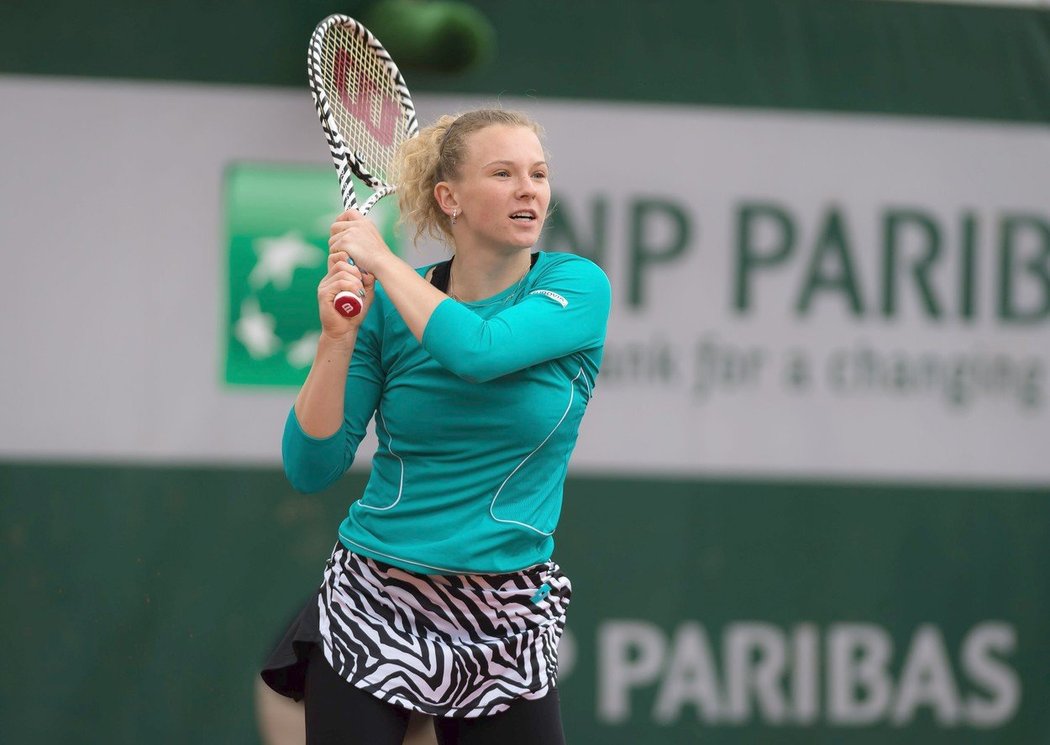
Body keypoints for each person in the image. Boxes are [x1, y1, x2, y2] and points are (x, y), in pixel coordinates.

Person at [261, 108, 611, 745]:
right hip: (374, 603)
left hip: (505, 618)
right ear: (449, 198)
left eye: (538, 173)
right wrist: (337, 339)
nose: (528, 188)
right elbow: (311, 467)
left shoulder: (576, 286)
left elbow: (478, 350)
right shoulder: (388, 313)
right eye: (503, 173)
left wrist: (383, 264)